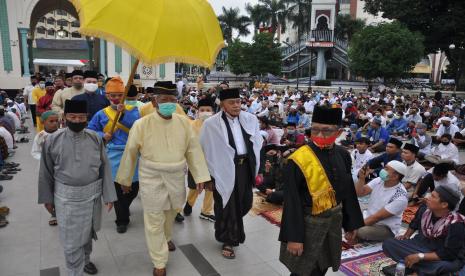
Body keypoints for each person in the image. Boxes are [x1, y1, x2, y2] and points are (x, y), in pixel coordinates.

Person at [115, 81, 211, 276]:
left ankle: (167, 238)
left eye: (172, 100)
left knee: (170, 212)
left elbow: (193, 149)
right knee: (153, 218)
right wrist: (125, 179)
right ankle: (159, 260)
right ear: (154, 100)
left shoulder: (184, 122)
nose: (169, 103)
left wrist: (201, 175)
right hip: (151, 176)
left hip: (176, 176)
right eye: (164, 99)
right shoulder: (141, 124)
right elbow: (131, 152)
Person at [279, 106, 364, 276]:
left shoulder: (343, 155)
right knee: (302, 269)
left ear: (338, 132)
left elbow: (346, 191)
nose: (319, 135)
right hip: (307, 225)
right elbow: (292, 200)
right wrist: (294, 237)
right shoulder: (299, 158)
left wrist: (351, 223)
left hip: (333, 223)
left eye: (326, 131)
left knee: (322, 266)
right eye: (315, 129)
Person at [38, 99, 117, 276]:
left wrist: (109, 195)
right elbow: (45, 171)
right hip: (66, 198)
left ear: (87, 118)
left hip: (92, 195)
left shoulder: (95, 138)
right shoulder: (52, 140)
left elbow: (104, 167)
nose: (76, 120)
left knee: (88, 234)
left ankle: (86, 260)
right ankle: (75, 271)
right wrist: (47, 198)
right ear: (64, 118)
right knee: (71, 241)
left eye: (81, 117)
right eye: (72, 116)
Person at [200, 88, 263, 259]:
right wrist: (207, 178)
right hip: (222, 169)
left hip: (245, 168)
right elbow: (204, 151)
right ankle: (229, 239)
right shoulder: (211, 124)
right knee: (227, 204)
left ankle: (226, 226)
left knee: (245, 203)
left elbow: (258, 145)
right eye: (232, 102)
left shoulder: (250, 119)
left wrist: (260, 169)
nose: (236, 105)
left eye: (238, 101)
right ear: (222, 104)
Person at [87, 77, 140, 234]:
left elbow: (137, 127)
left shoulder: (133, 112)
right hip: (113, 154)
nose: (116, 98)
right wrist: (102, 136)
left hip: (132, 153)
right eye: (113, 96)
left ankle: (124, 206)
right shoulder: (101, 114)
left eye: (119, 95)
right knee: (117, 188)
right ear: (107, 96)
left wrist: (123, 114)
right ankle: (121, 220)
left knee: (134, 188)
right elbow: (90, 131)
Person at [383, 186, 465, 275]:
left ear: (444, 204)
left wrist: (420, 256)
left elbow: (449, 254)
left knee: (445, 266)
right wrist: (406, 236)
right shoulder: (424, 209)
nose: (428, 197)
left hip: (441, 255)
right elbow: (415, 223)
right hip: (421, 245)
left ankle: (417, 267)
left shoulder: (456, 223)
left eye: (433, 196)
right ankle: (423, 270)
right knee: (389, 244)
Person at [352, 160, 408, 242]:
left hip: (385, 227)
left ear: (395, 176)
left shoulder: (400, 196)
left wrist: (355, 228)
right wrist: (361, 178)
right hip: (369, 217)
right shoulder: (379, 180)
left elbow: (376, 218)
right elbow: (360, 193)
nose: (383, 170)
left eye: (386, 169)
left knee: (361, 231)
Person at [183, 97, 216, 222]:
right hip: (195, 163)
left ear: (213, 111)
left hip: (212, 163)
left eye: (208, 110)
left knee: (210, 188)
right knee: (194, 187)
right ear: (198, 111)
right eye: (202, 110)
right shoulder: (191, 125)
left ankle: (206, 211)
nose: (205, 112)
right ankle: (189, 203)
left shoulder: (217, 126)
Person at [31, 111, 59, 225]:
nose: (54, 124)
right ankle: (53, 214)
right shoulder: (40, 136)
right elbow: (34, 152)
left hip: (60, 168)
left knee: (59, 191)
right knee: (47, 192)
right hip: (44, 169)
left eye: (56, 121)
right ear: (43, 122)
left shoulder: (62, 134)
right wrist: (44, 159)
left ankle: (60, 212)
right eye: (51, 121)